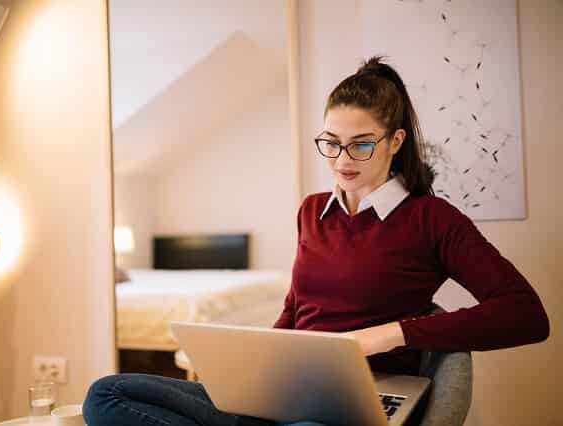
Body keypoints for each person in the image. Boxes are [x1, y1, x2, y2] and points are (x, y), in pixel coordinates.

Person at [81, 56, 550, 426]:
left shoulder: (431, 219)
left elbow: (526, 314)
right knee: (106, 394)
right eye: (331, 142)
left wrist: (390, 334)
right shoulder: (312, 211)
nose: (342, 159)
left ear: (395, 141)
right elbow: (296, 308)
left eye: (361, 143)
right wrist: (252, 362)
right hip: (285, 388)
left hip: (362, 397)